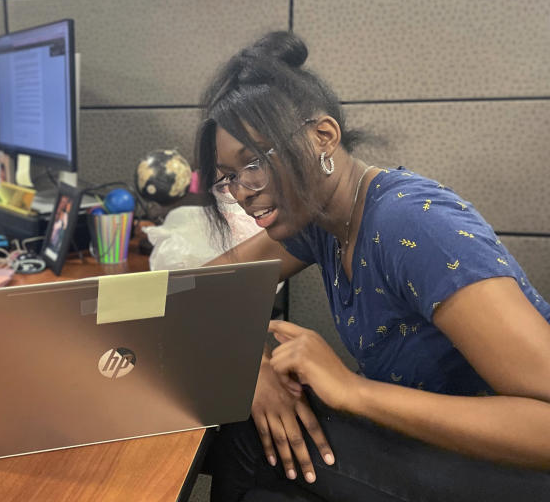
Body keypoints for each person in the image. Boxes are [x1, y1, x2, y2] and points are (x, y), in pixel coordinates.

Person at [198, 31, 550, 500]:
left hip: (515, 467)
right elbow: (203, 291)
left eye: (255, 163)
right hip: (434, 443)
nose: (242, 191)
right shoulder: (318, 219)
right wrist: (253, 367)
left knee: (246, 444)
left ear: (322, 137)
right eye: (228, 178)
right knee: (263, 452)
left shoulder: (413, 225)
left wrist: (352, 392)